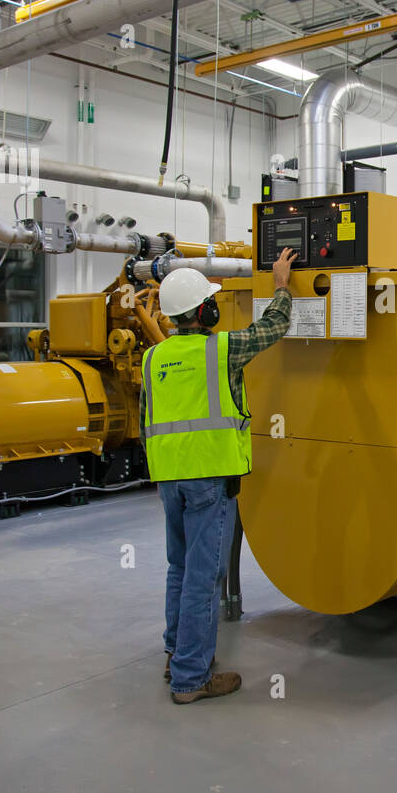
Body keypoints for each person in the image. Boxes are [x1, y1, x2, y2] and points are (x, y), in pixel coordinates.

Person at [138, 248, 296, 704]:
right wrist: (281, 286)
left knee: (181, 568)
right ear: (204, 312)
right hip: (210, 479)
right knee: (205, 578)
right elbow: (272, 328)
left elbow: (148, 422)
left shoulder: (153, 359)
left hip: (169, 481)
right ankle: (191, 677)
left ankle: (176, 653)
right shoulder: (222, 350)